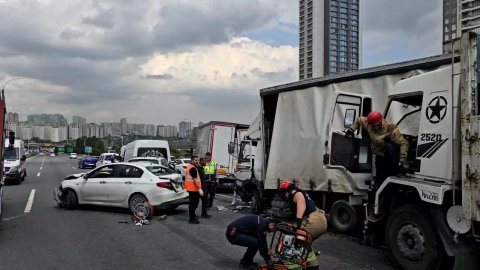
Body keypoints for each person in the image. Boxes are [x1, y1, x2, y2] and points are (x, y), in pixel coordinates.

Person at [345, 111, 409, 185]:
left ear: (379, 123)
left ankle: (397, 171)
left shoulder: (391, 128)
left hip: (389, 156)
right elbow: (359, 120)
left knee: (390, 176)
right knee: (380, 177)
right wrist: (351, 129)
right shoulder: (369, 123)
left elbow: (403, 143)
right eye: (370, 125)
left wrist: (403, 158)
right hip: (379, 155)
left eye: (373, 125)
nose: (371, 127)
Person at [279, 180, 327, 270]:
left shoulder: (293, 192)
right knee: (304, 244)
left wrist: (297, 222)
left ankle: (292, 267)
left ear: (285, 190)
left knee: (294, 243)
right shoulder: (300, 191)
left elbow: (301, 201)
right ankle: (313, 265)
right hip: (320, 220)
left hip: (313, 220)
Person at [184, 155, 204, 224]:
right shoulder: (192, 168)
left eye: (197, 160)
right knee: (194, 204)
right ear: (192, 160)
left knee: (192, 203)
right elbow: (195, 180)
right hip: (194, 189)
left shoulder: (189, 166)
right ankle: (192, 219)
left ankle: (192, 216)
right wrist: (199, 189)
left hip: (190, 188)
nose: (197, 161)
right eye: (195, 160)